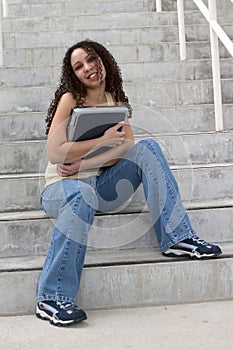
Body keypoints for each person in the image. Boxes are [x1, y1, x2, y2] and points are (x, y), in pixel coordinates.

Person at [36, 39, 222, 327]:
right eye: (78, 66)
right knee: (81, 192)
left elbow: (127, 147)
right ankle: (52, 297)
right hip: (61, 188)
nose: (87, 68)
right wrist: (103, 141)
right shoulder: (70, 100)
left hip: (98, 185)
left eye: (91, 59)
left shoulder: (114, 98)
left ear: (103, 60)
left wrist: (85, 163)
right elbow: (55, 152)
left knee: (147, 149)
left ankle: (177, 237)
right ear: (73, 75)